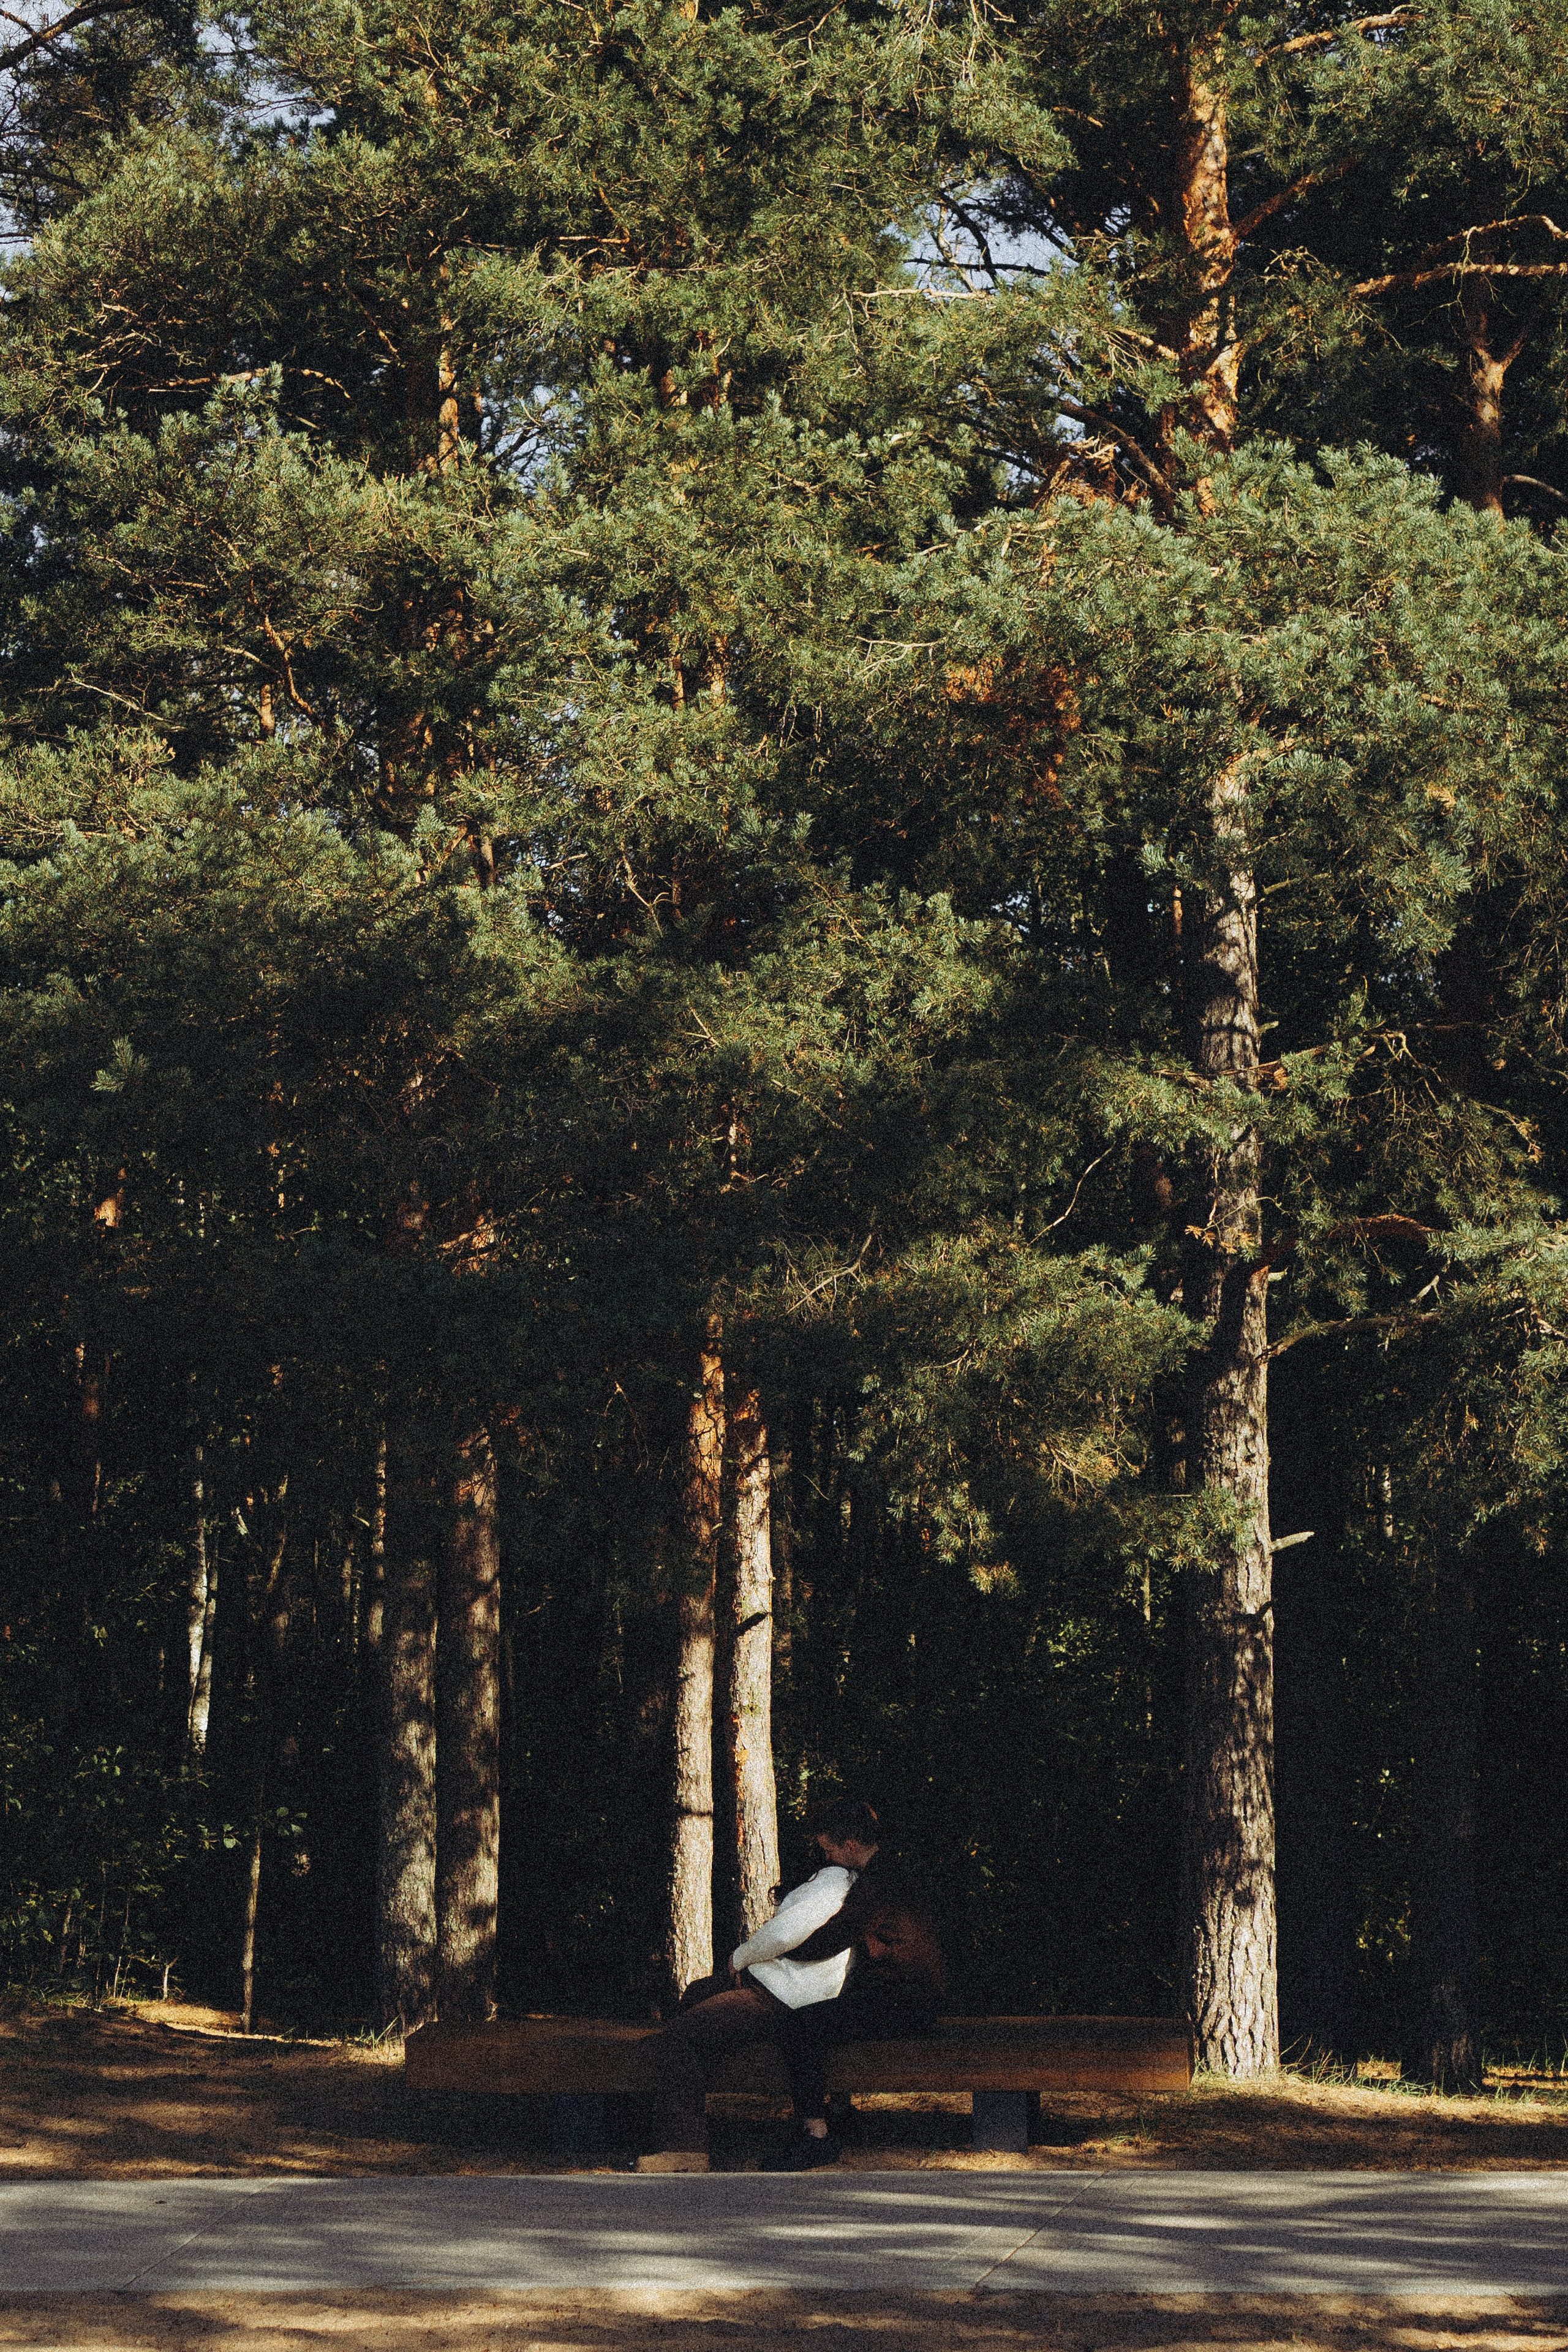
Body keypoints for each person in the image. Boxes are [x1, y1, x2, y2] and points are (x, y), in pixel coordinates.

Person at [637, 1846, 859, 2172]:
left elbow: (785, 1935)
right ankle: (661, 2117)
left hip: (782, 1996)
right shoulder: (835, 1880)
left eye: (821, 1841)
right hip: (778, 1986)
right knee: (699, 1992)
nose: (815, 1845)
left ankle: (683, 2150)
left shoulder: (833, 1879)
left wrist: (739, 1959)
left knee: (683, 2035)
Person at [764, 1796, 945, 2171]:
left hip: (907, 2003)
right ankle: (840, 2112)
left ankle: (816, 2135)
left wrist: (775, 1953)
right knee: (832, 2014)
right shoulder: (893, 1870)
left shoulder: (879, 1881)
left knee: (799, 2025)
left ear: (849, 1845)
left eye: (829, 1850)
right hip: (915, 1997)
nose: (826, 1858)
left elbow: (837, 1935)